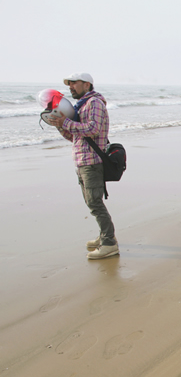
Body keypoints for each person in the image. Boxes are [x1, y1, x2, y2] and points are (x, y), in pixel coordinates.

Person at [47, 73, 118, 260]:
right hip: (81, 160)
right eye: (69, 84)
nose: (70, 87)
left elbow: (93, 129)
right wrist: (60, 126)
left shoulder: (94, 103)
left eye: (74, 83)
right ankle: (105, 235)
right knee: (90, 201)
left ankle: (109, 243)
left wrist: (67, 122)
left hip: (92, 161)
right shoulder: (82, 105)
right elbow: (75, 136)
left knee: (95, 202)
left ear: (87, 85)